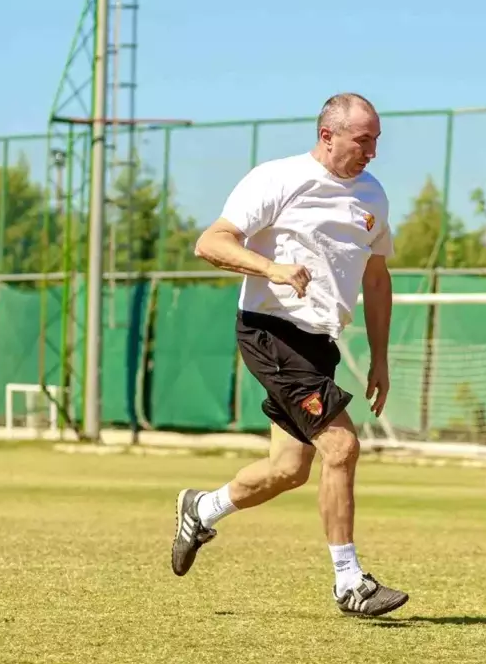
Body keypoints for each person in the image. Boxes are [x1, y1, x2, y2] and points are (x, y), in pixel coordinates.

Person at [170, 92, 408, 618]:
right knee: (342, 447)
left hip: (318, 343)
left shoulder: (373, 195)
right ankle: (350, 582)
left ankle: (201, 508)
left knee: (288, 469)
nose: (372, 151)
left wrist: (381, 357)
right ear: (328, 135)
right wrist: (272, 269)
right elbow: (211, 242)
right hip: (270, 331)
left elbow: (376, 276)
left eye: (376, 141)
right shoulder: (277, 178)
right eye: (362, 139)